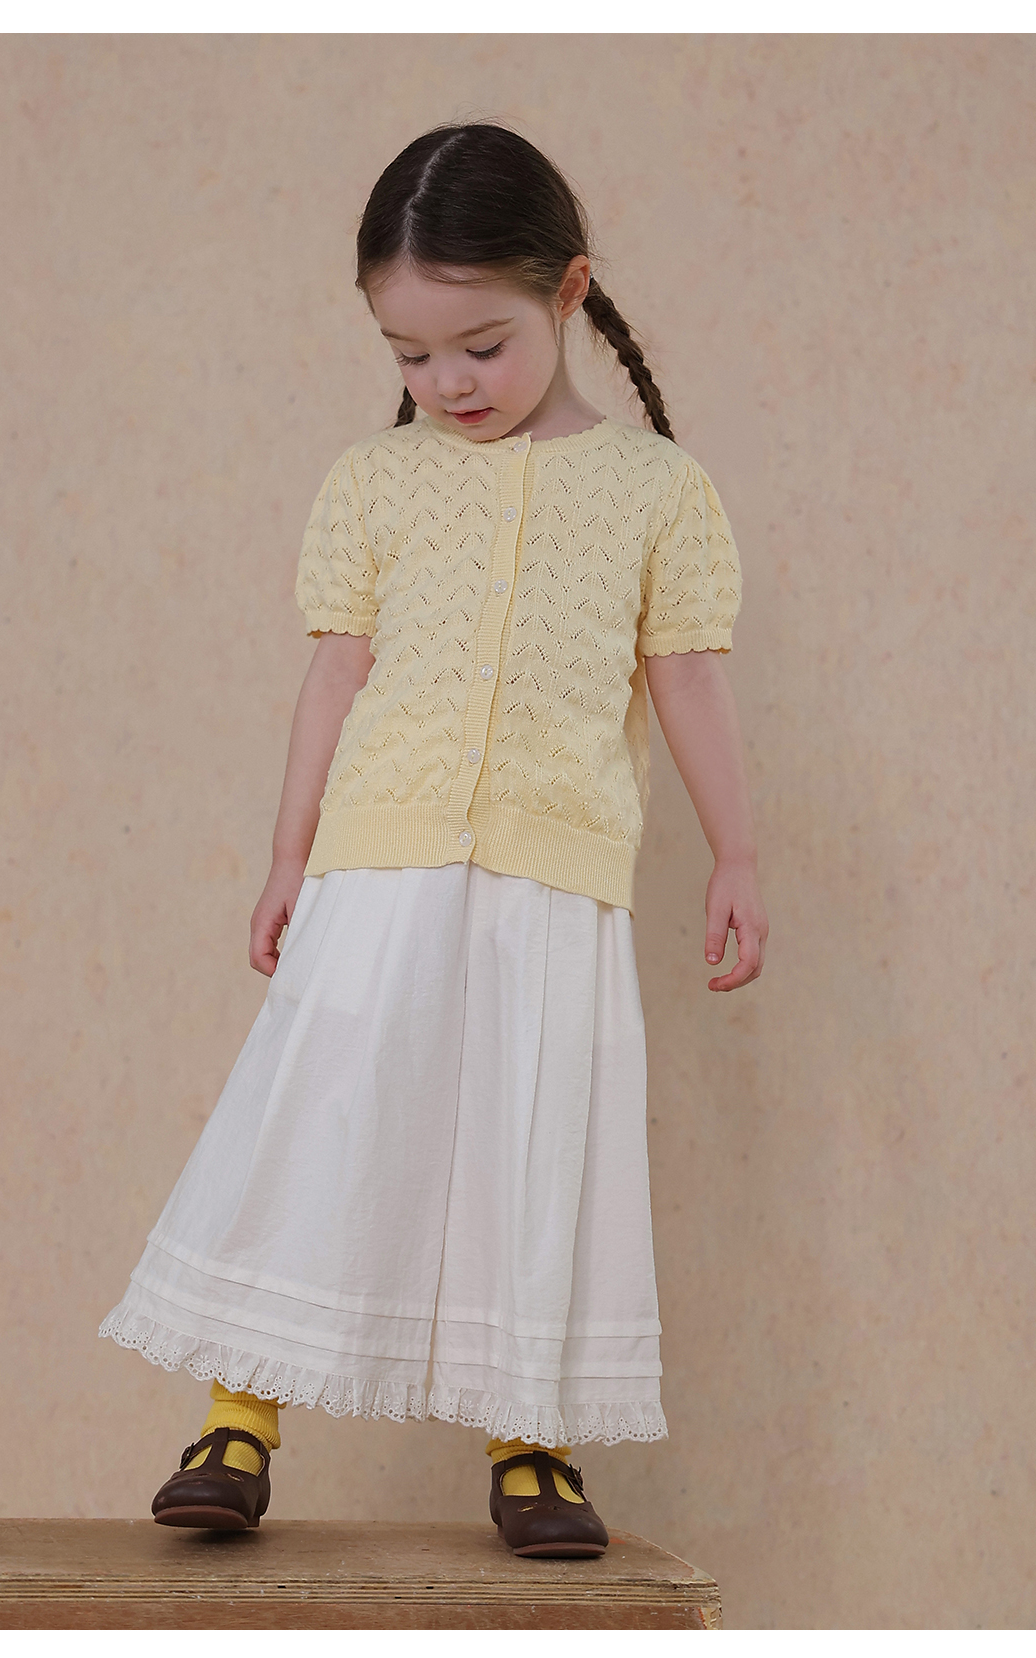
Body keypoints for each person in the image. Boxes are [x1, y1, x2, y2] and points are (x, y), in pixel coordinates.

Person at [99, 122, 768, 1559]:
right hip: (379, 868)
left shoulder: (658, 491)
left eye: (482, 345)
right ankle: (238, 1418)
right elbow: (333, 676)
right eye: (411, 355)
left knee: (534, 1142)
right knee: (323, 1115)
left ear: (568, 290)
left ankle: (532, 1440)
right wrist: (289, 857)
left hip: (554, 880)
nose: (448, 383)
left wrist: (739, 855)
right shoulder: (374, 482)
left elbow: (688, 677)